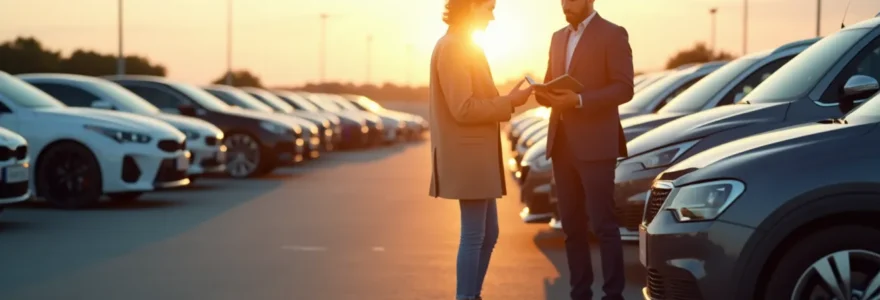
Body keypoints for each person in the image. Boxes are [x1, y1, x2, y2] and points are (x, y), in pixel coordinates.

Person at [428, 0, 533, 299]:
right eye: (489, 8)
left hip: (476, 157)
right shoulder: (454, 46)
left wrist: (508, 100)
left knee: (488, 234)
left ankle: (472, 294)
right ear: (471, 6)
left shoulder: (463, 44)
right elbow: (463, 108)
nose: (493, 16)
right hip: (469, 158)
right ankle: (467, 296)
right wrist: (509, 102)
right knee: (475, 235)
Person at [534, 0, 634, 299]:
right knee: (572, 227)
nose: (565, 4)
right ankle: (580, 293)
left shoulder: (613, 34)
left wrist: (579, 100)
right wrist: (543, 94)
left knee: (603, 225)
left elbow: (624, 88)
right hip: (561, 144)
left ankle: (613, 294)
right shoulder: (557, 38)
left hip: (597, 146)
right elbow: (551, 83)